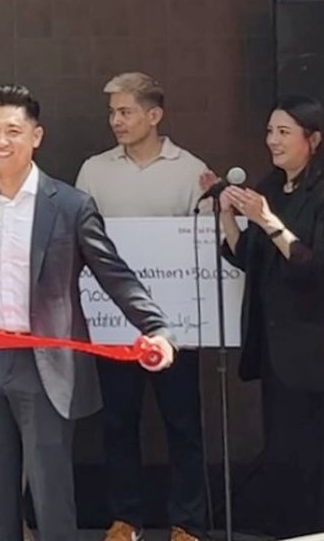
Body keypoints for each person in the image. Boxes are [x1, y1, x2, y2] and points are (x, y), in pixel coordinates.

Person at [0, 85, 177, 541]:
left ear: (37, 136)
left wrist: (156, 326)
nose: (0, 141)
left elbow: (114, 273)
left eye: (12, 130)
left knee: (51, 497)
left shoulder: (68, 205)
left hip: (44, 365)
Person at [209, 96, 324, 537]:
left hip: (317, 350)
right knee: (285, 452)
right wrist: (229, 220)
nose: (272, 141)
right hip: (275, 349)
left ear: (313, 139)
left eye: (283, 133)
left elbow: (319, 268)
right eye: (270, 132)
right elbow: (251, 261)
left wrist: (269, 221)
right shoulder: (271, 187)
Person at [77, 73, 211, 541]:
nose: (116, 121)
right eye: (112, 112)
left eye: (125, 111)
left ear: (154, 115)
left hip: (178, 324)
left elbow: (209, 246)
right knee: (117, 422)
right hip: (113, 323)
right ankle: (125, 518)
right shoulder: (93, 170)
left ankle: (188, 522)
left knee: (183, 424)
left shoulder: (191, 170)